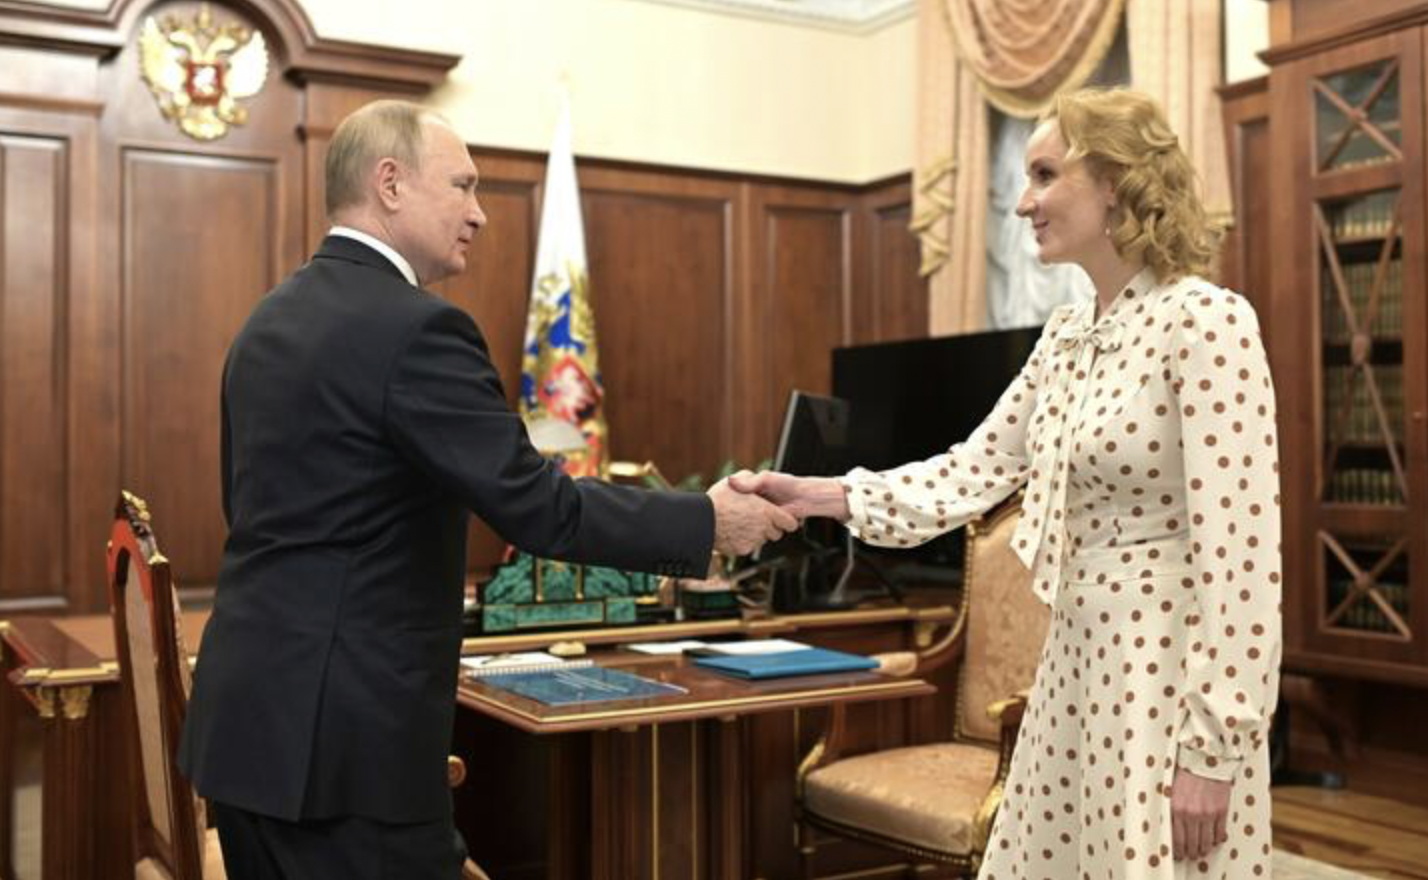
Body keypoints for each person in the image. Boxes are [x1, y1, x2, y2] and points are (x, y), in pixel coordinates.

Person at [177, 99, 795, 879]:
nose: (480, 213)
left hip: (245, 733)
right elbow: (541, 508)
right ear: (390, 183)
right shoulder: (415, 328)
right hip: (348, 752)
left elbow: (254, 513)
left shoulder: (265, 323)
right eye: (462, 185)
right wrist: (706, 521)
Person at [732, 87, 1281, 878]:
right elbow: (973, 469)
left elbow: (1243, 559)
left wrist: (1214, 751)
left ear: (1115, 183)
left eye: (1045, 175)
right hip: (1074, 664)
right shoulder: (1065, 337)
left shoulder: (1207, 322)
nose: (1023, 203)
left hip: (1164, 678)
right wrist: (822, 495)